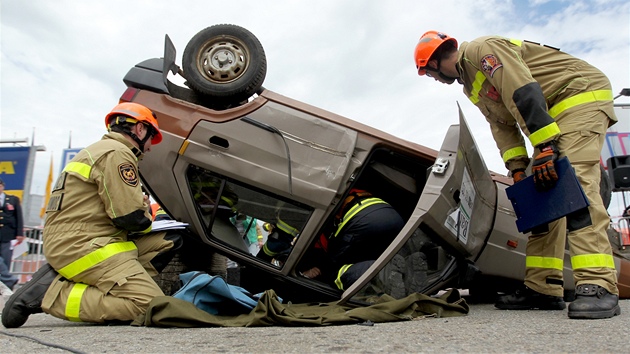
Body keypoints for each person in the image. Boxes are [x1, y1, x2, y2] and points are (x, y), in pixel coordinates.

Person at [414, 31, 620, 319]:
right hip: (548, 117)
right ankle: (543, 287)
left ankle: (599, 284)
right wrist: (518, 168)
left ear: (434, 61)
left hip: (578, 97)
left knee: (576, 187)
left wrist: (545, 145)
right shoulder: (471, 85)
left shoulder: (480, 51)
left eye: (428, 73)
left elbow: (523, 91)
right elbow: (502, 126)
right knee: (541, 199)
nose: (433, 79)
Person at [2, 102, 183, 328]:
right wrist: (144, 209)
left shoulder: (99, 150)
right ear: (139, 129)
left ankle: (116, 282)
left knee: (168, 240)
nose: (149, 147)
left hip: (85, 239)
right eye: (151, 139)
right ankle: (52, 294)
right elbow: (131, 218)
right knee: (149, 305)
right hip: (83, 246)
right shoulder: (117, 154)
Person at [300, 189, 404, 291]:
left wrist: (319, 272)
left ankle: (386, 274)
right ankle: (402, 271)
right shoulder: (345, 189)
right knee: (389, 253)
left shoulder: (320, 225)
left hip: (361, 219)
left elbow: (333, 255)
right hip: (395, 218)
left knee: (336, 272)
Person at [0, 177, 23, 290]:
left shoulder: (12, 199)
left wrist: (20, 233)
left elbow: (19, 217)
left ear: (2, 186)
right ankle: (9, 280)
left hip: (7, 235)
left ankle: (6, 284)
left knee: (6, 260)